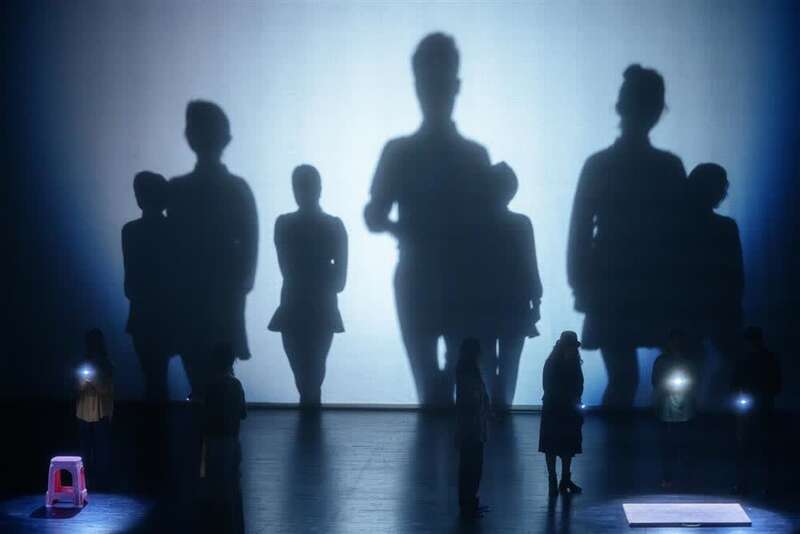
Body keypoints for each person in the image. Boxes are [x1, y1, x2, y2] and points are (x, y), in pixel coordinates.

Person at [364, 33, 492, 406]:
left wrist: (406, 231)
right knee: (450, 380)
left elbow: (374, 215)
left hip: (425, 275)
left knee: (434, 384)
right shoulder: (472, 156)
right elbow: (489, 227)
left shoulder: (402, 152)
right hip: (449, 277)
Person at [568, 64, 687, 408]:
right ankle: (672, 437)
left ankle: (617, 441)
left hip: (612, 286)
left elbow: (579, 232)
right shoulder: (668, 167)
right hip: (654, 284)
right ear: (657, 111)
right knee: (669, 381)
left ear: (621, 107)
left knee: (623, 380)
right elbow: (683, 237)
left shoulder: (599, 165)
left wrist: (581, 285)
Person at [168, 101, 259, 397]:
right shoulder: (235, 188)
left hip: (200, 297)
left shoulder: (178, 189)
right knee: (218, 380)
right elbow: (250, 248)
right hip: (213, 297)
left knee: (204, 380)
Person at [269, 164, 348, 407]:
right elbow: (340, 282)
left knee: (304, 374)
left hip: (293, 305)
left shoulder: (284, 224)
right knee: (313, 372)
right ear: (320, 188)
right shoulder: (334, 226)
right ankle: (311, 412)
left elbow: (286, 269)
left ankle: (309, 411)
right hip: (322, 306)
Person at [478, 162, 542, 410]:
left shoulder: (476, 226)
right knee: (510, 363)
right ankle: (502, 408)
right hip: (515, 305)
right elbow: (530, 265)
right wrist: (536, 302)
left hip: (482, 304)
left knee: (486, 362)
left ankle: (491, 408)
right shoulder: (521, 223)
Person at [686, 163, 744, 405]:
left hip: (690, 307)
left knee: (691, 365)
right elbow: (736, 274)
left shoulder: (676, 228)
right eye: (721, 186)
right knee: (725, 362)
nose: (724, 191)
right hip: (720, 307)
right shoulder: (726, 227)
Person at [122, 170, 174, 403]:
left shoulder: (130, 230)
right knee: (157, 375)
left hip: (143, 310)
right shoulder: (172, 229)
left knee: (152, 376)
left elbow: (130, 276)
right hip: (164, 309)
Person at [201, 342, 247, 534]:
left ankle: (215, 521)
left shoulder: (209, 386)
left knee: (213, 480)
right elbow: (243, 413)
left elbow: (204, 413)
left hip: (212, 439)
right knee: (232, 480)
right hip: (230, 439)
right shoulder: (235, 385)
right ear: (232, 361)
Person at [731, 326, 781, 494]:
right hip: (749, 408)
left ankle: (764, 486)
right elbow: (734, 383)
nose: (750, 345)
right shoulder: (746, 359)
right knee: (746, 447)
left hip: (760, 408)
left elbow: (776, 384)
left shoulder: (767, 359)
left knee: (761, 448)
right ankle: (745, 484)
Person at [539, 331, 584, 497]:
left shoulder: (565, 363)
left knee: (565, 447)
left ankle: (563, 480)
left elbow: (578, 385)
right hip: (557, 409)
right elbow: (549, 387)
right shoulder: (555, 363)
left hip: (563, 410)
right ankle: (556, 480)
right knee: (555, 447)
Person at [651, 329, 697, 489]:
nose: (676, 344)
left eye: (679, 340)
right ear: (669, 343)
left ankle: (686, 477)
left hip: (685, 406)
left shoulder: (688, 361)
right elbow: (655, 380)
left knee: (685, 443)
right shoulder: (661, 361)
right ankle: (668, 477)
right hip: (666, 406)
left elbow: (694, 381)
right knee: (667, 444)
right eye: (674, 341)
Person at [455, 338, 490, 519]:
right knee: (471, 467)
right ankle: (468, 505)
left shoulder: (467, 371)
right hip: (472, 429)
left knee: (472, 467)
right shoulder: (468, 373)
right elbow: (472, 399)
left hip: (473, 428)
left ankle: (470, 503)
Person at [76, 328, 114, 488]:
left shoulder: (106, 364)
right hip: (84, 412)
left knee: (101, 448)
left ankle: (102, 480)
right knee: (85, 448)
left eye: (93, 343)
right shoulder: (84, 362)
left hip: (100, 412)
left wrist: (93, 378)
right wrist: (84, 379)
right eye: (89, 343)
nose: (91, 346)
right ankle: (85, 479)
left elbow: (105, 389)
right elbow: (78, 387)